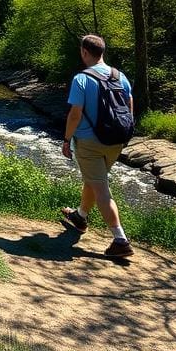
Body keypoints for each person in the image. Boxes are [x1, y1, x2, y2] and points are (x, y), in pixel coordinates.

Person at [60, 34, 134, 258]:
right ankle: (80, 216)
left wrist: (66, 140)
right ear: (102, 51)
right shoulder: (120, 76)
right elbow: (130, 106)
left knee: (101, 189)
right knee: (93, 180)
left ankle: (120, 239)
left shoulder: (81, 79)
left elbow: (75, 114)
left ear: (84, 52)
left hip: (89, 142)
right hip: (115, 141)